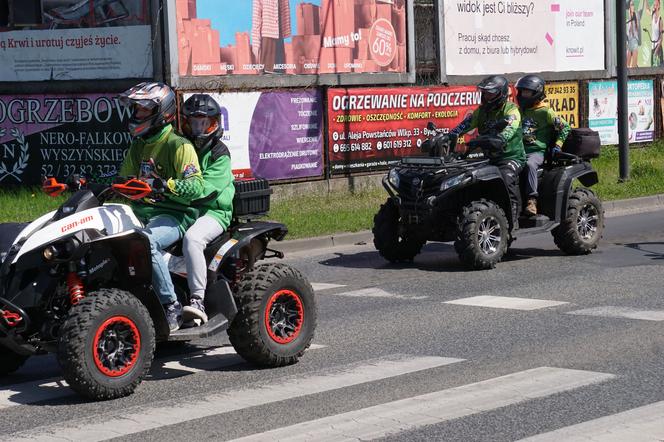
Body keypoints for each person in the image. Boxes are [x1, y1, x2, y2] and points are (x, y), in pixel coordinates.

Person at [118, 82, 205, 332]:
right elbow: (123, 180)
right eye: (135, 109)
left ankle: (172, 307)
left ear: (161, 111)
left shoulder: (178, 145)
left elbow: (196, 186)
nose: (137, 114)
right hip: (141, 213)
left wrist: (164, 185)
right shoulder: (139, 144)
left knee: (145, 242)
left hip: (175, 215)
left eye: (143, 109)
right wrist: (83, 182)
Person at [180, 94, 235, 325]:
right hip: (183, 207)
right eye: (193, 122)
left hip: (214, 212)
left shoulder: (219, 153)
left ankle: (197, 300)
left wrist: (177, 189)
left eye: (204, 123)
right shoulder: (181, 147)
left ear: (215, 123)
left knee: (193, 239)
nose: (198, 128)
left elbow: (207, 189)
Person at [449, 75, 526, 227]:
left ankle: (514, 216)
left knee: (507, 176)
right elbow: (462, 127)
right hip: (488, 159)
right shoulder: (481, 111)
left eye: (490, 93)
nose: (486, 96)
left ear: (501, 93)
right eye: (484, 93)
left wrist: (500, 138)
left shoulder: (512, 111)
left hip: (511, 157)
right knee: (464, 178)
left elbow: (508, 131)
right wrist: (448, 136)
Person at [515, 75, 571, 217]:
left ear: (537, 93)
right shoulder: (518, 111)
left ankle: (531, 200)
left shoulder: (546, 112)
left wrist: (558, 145)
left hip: (536, 152)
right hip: (517, 151)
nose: (523, 95)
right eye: (521, 92)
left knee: (529, 165)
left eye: (527, 92)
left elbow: (565, 127)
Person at [251, 0, 291, 73]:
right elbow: (256, 18)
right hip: (267, 39)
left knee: (280, 72)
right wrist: (256, 44)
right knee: (267, 73)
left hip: (279, 38)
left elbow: (284, 11)